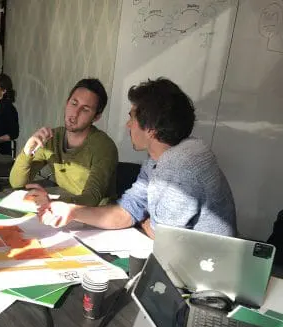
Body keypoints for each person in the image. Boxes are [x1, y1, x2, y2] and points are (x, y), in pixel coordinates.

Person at [39, 78, 237, 238]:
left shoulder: (181, 165)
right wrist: (72, 211)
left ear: (151, 129)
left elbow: (162, 237)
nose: (128, 125)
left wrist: (143, 220)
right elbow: (127, 212)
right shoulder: (155, 160)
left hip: (204, 268)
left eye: (131, 118)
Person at [9, 78, 118, 207]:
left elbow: (91, 199)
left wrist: (52, 203)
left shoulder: (104, 147)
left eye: (85, 109)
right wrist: (27, 152)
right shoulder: (52, 138)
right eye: (74, 103)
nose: (75, 113)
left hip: (96, 214)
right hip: (63, 207)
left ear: (96, 117)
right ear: (67, 103)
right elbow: (17, 183)